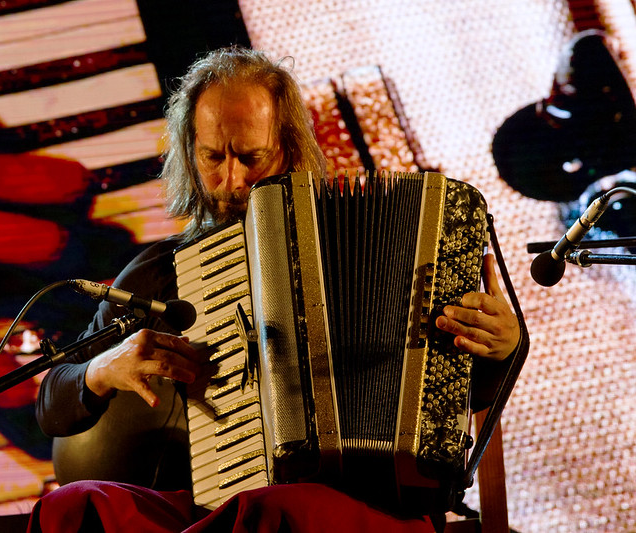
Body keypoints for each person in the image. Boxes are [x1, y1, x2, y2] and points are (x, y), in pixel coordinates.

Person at [30, 46, 521, 533]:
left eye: (250, 157)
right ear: (188, 152)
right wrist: (100, 369)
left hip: (373, 506)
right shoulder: (163, 272)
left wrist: (503, 348)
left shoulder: (395, 240)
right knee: (70, 507)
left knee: (283, 510)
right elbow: (52, 405)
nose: (231, 180)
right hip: (233, 514)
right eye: (211, 157)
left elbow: (451, 397)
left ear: (288, 147)